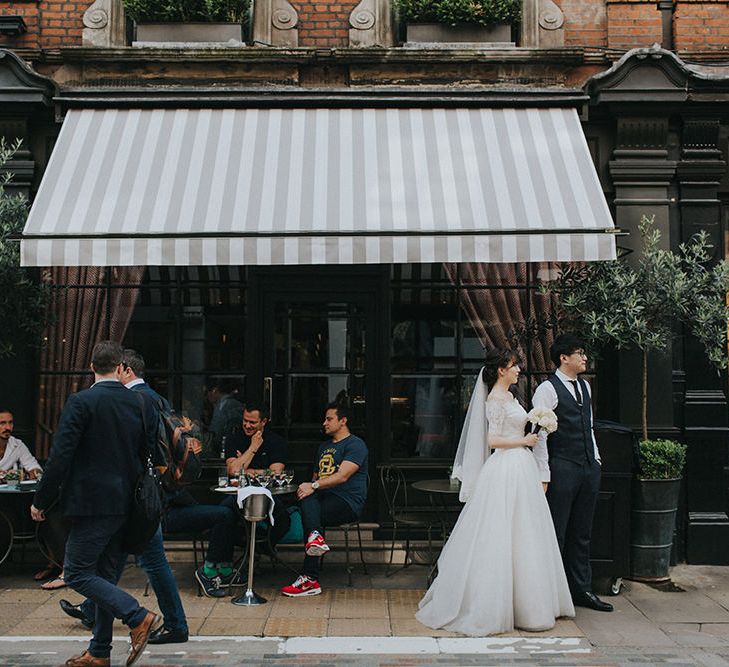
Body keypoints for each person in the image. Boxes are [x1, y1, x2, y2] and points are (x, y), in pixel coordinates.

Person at [416, 348, 574, 636]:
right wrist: (523, 441)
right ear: (501, 370)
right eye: (514, 366)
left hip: (521, 468)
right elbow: (491, 440)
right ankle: (496, 605)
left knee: (525, 534)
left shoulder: (512, 397)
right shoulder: (495, 399)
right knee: (501, 535)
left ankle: (528, 604)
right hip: (506, 468)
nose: (518, 371)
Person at [30, 340, 161, 667]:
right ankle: (99, 652)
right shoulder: (140, 403)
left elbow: (60, 457)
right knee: (103, 575)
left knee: (75, 573)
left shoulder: (81, 402)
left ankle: (138, 615)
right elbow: (150, 455)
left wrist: (41, 500)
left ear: (92, 368)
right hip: (127, 504)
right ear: (120, 368)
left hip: (91, 504)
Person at [58, 348, 192, 644]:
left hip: (137, 497)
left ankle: (173, 623)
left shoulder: (136, 399)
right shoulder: (153, 398)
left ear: (125, 370)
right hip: (143, 494)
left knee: (152, 560)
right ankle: (95, 614)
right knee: (116, 560)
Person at [532, 333, 614, 613]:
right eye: (580, 353)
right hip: (562, 467)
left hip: (589, 467)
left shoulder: (586, 388)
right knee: (557, 532)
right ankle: (549, 595)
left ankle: (582, 590)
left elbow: (588, 427)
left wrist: (597, 459)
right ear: (564, 358)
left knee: (582, 532)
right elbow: (539, 435)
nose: (585, 358)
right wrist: (544, 473)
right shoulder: (547, 389)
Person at [281, 398, 368, 597]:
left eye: (329, 419)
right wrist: (311, 487)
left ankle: (310, 577)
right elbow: (316, 478)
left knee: (309, 505)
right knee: (309, 502)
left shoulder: (356, 444)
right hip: (322, 501)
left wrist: (312, 486)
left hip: (347, 503)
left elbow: (343, 476)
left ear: (343, 421)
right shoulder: (323, 447)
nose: (324, 423)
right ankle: (312, 559)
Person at [223, 402, 291, 546]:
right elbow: (234, 471)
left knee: (283, 519)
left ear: (263, 422)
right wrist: (253, 447)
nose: (247, 425)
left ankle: (261, 549)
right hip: (238, 493)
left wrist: (247, 467)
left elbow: (276, 472)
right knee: (223, 515)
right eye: (245, 421)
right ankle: (241, 553)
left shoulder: (276, 441)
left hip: (267, 493)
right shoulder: (234, 439)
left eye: (252, 422)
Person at [0, 409, 42, 478]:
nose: (8, 427)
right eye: (2, 423)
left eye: (10, 423)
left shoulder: (17, 444)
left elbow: (35, 467)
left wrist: (32, 473)